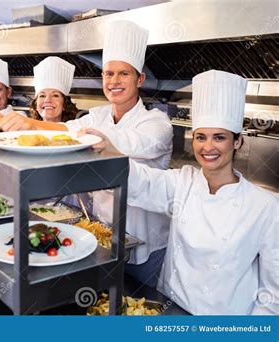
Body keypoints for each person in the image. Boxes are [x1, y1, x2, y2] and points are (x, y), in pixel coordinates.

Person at [0, 21, 173, 287]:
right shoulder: (98, 115)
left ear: (140, 79)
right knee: (105, 303)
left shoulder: (157, 123)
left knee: (138, 306)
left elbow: (124, 142)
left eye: (123, 74)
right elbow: (66, 129)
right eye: (108, 73)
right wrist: (28, 123)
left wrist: (37, 125)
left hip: (146, 241)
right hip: (103, 235)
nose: (113, 81)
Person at [85, 70, 278, 315]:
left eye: (219, 137)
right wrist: (111, 151)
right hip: (169, 310)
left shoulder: (264, 207)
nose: (208, 147)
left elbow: (273, 296)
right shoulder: (183, 182)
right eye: (201, 137)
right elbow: (141, 182)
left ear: (237, 142)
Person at [0, 56, 79, 126]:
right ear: (36, 104)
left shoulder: (73, 128)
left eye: (55, 95)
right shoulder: (27, 127)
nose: (47, 100)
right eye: (42, 96)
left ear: (64, 103)